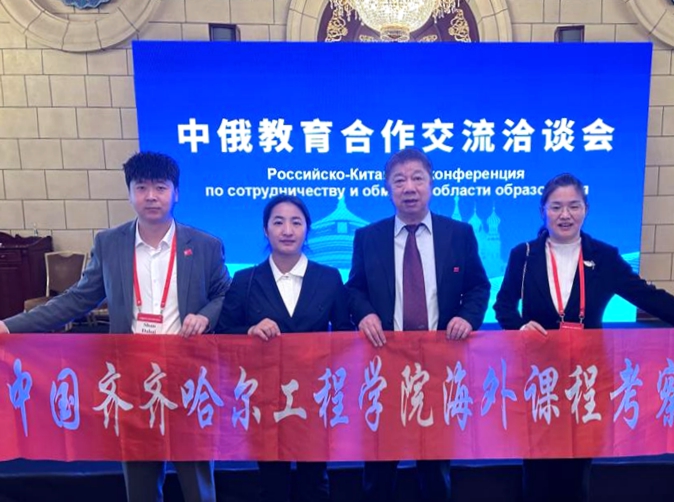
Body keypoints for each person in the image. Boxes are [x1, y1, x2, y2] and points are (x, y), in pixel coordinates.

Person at [493, 172, 674, 502]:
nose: (565, 215)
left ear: (586, 209)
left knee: (577, 468)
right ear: (543, 211)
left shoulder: (605, 257)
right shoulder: (523, 255)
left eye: (574, 206)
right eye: (556, 207)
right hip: (538, 378)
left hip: (587, 378)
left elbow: (650, 298)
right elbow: (503, 305)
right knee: (537, 467)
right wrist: (520, 326)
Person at [0, 151, 230, 502]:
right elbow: (77, 300)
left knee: (196, 477)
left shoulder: (205, 246)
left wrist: (206, 316)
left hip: (188, 375)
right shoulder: (109, 244)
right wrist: (10, 327)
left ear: (176, 193)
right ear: (129, 193)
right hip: (132, 376)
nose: (151, 196)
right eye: (141, 188)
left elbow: (225, 295)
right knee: (140, 479)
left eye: (160, 187)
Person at [346, 148, 491, 502]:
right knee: (379, 467)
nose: (408, 187)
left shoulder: (459, 233)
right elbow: (354, 289)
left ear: (431, 183)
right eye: (399, 180)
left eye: (417, 178)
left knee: (435, 467)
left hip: (439, 366)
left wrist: (467, 317)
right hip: (383, 366)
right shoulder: (369, 237)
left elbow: (478, 286)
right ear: (387, 188)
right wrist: (363, 314)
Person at [217, 194, 352, 502]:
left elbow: (345, 333)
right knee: (272, 484)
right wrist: (250, 330)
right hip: (265, 399)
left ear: (307, 229)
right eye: (278, 222)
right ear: (265, 230)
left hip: (315, 398)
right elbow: (222, 335)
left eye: (296, 222)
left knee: (314, 482)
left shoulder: (329, 278)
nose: (287, 230)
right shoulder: (245, 280)